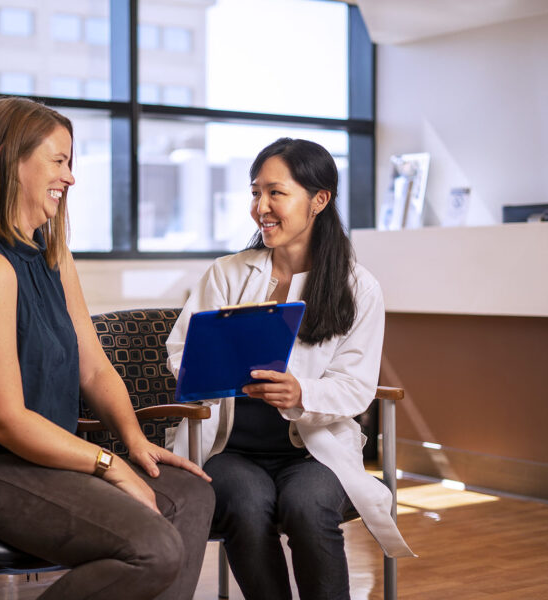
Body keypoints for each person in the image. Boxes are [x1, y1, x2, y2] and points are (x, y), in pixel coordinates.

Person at [0, 96, 214, 600]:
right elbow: (5, 420)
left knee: (191, 495)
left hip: (37, 460)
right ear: (12, 160)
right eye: (59, 161)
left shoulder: (53, 254)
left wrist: (133, 442)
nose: (70, 177)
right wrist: (109, 464)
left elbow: (93, 369)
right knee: (152, 548)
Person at [165, 138, 414, 600]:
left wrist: (303, 394)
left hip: (312, 451)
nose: (261, 207)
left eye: (275, 193)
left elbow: (356, 387)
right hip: (231, 450)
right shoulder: (226, 274)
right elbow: (181, 348)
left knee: (309, 504)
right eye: (255, 192)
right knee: (244, 502)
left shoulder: (358, 288)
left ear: (319, 200)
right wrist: (216, 367)